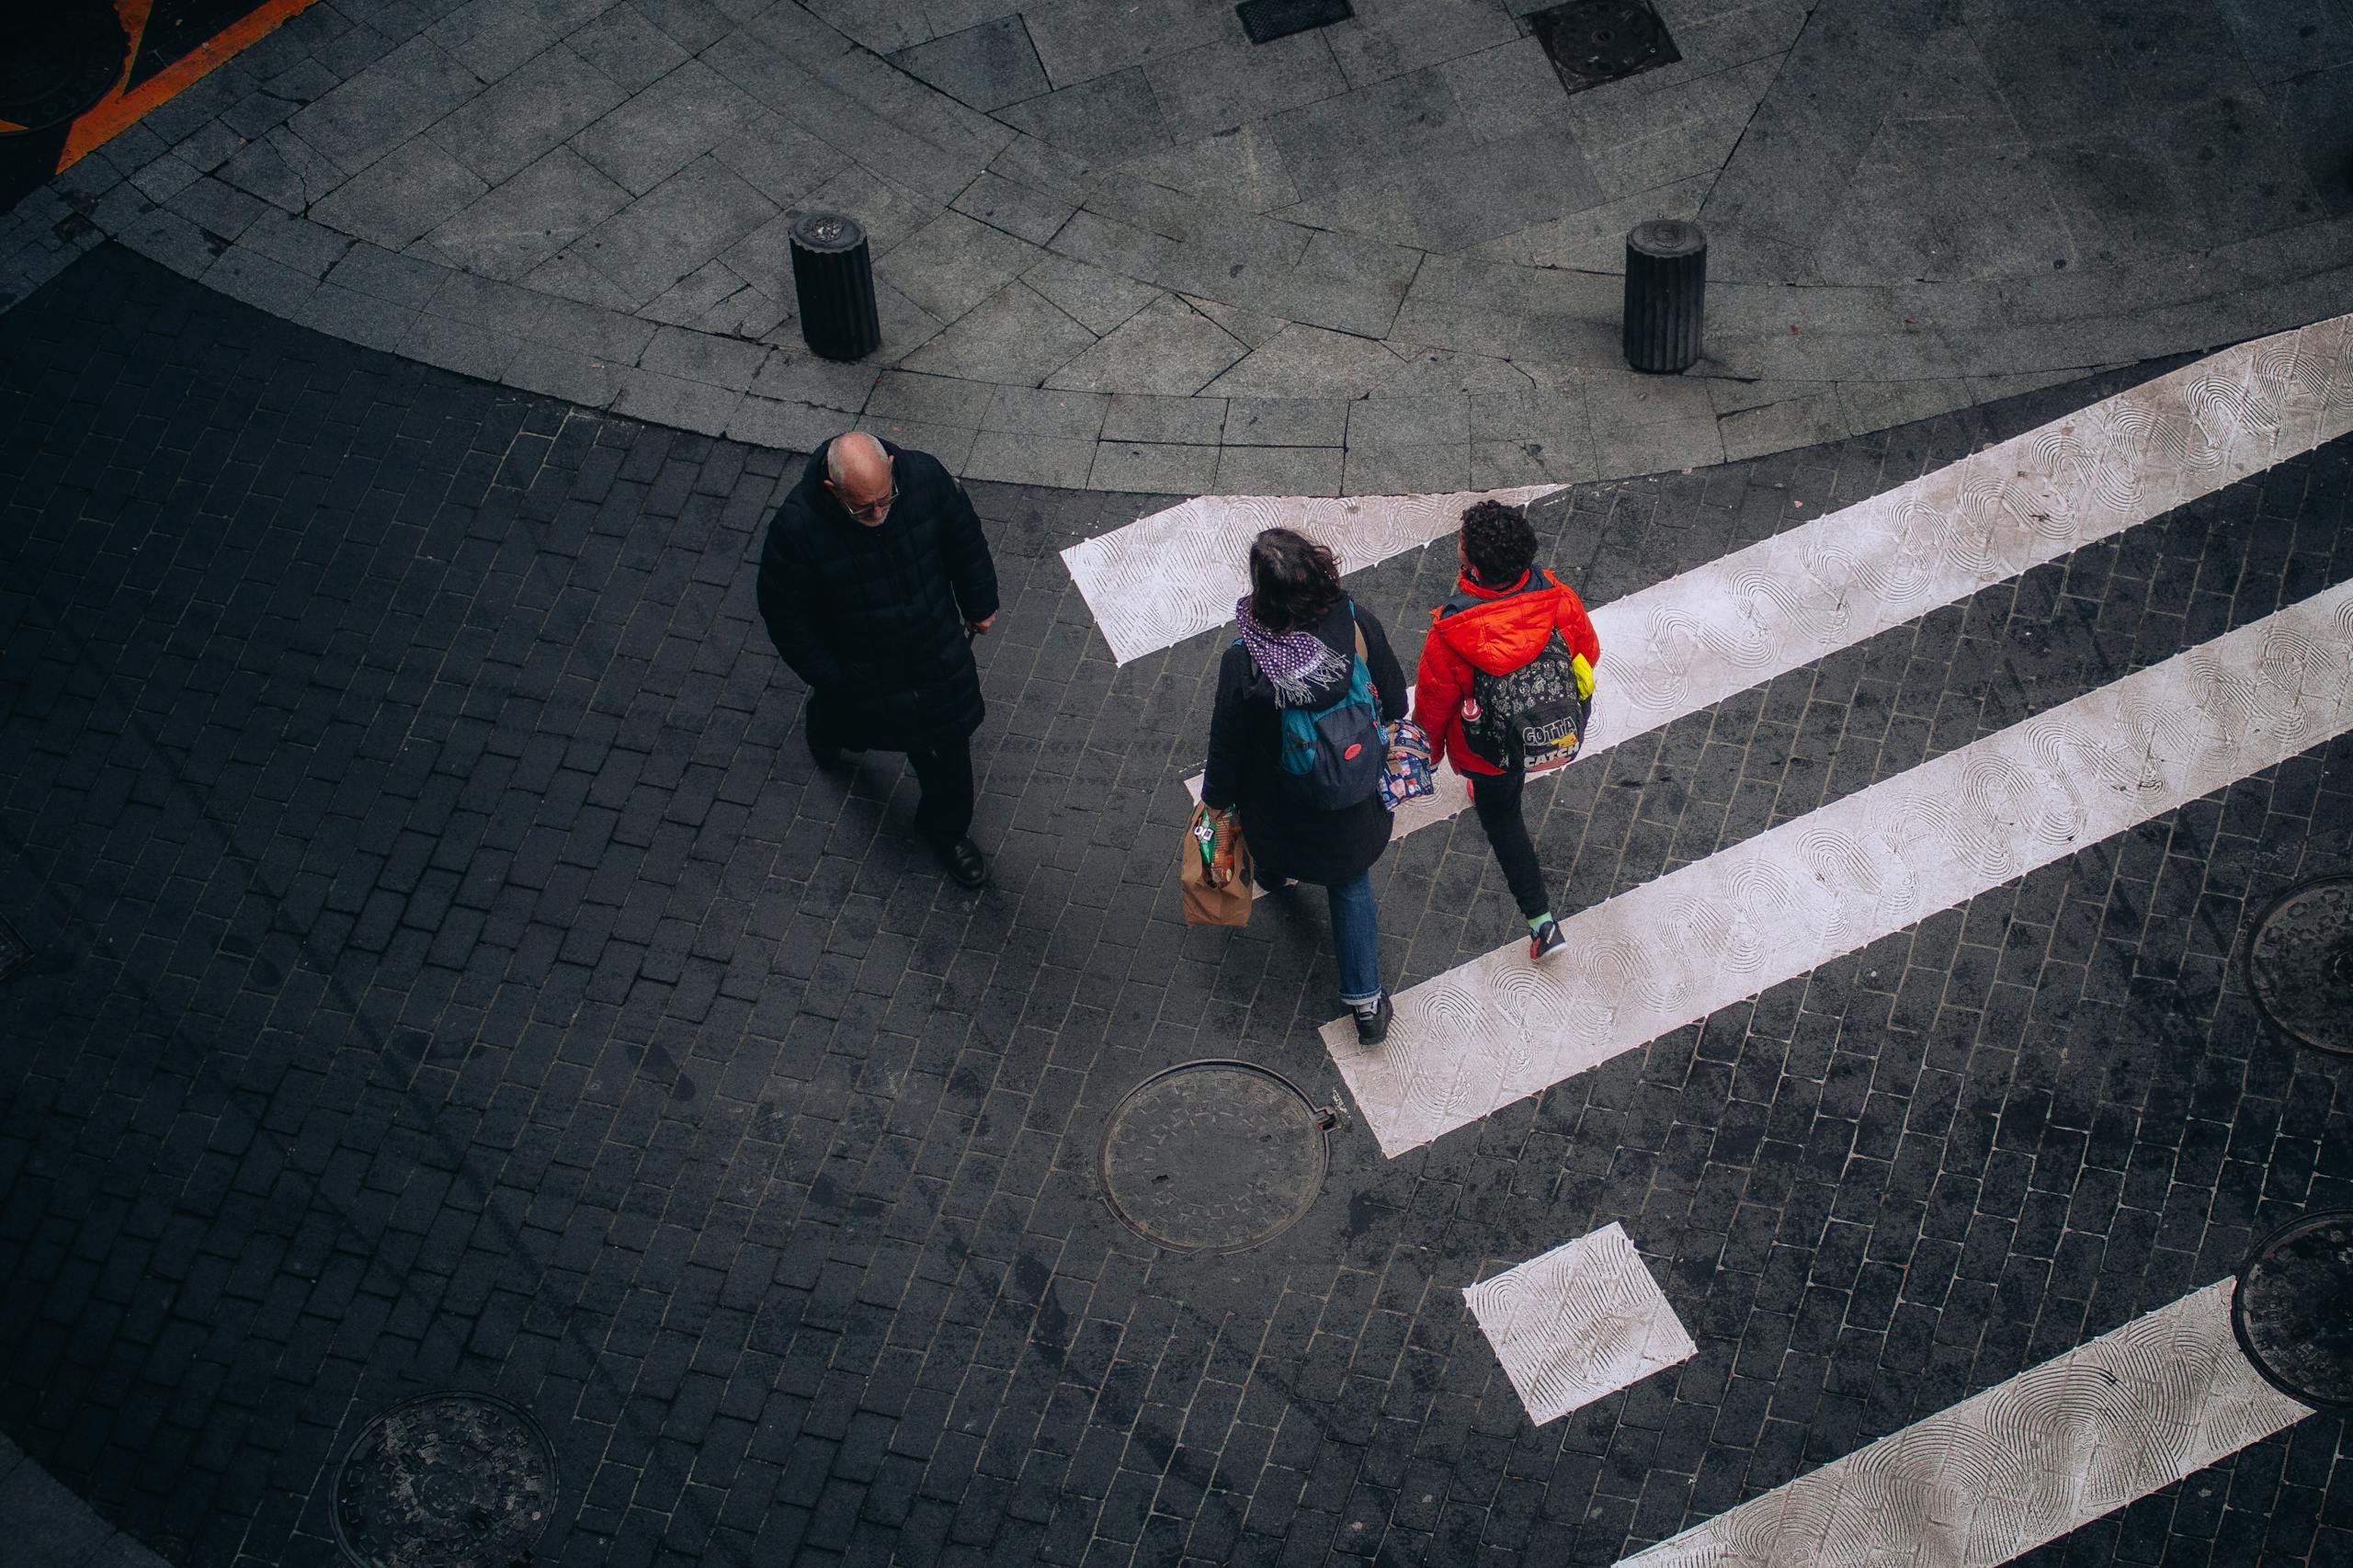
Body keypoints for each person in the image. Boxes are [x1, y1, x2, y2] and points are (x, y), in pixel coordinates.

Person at [756, 431, 999, 888]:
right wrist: (831, 678)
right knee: (850, 721)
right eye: (863, 508)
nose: (878, 514)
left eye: (885, 501)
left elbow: (962, 537)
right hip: (861, 673)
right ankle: (826, 727)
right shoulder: (796, 531)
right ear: (833, 490)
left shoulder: (923, 477)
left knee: (949, 758)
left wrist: (979, 599)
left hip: (934, 656)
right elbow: (786, 617)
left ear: (890, 464)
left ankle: (945, 832)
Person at [1200, 528, 1408, 1042]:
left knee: (1273, 851)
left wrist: (1216, 806)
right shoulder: (1354, 625)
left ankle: (1273, 875)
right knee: (1350, 885)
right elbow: (1397, 705)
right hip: (1351, 804)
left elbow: (1228, 745)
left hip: (1280, 807)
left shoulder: (1245, 662)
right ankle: (1365, 1004)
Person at [1413, 499, 1600, 960]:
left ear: (1470, 564)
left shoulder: (1451, 631)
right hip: (1552, 727)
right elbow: (1588, 654)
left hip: (1486, 753)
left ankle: (1542, 921)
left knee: (1502, 818)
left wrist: (1426, 758)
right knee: (1505, 796)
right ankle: (1541, 929)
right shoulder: (1559, 599)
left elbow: (1434, 707)